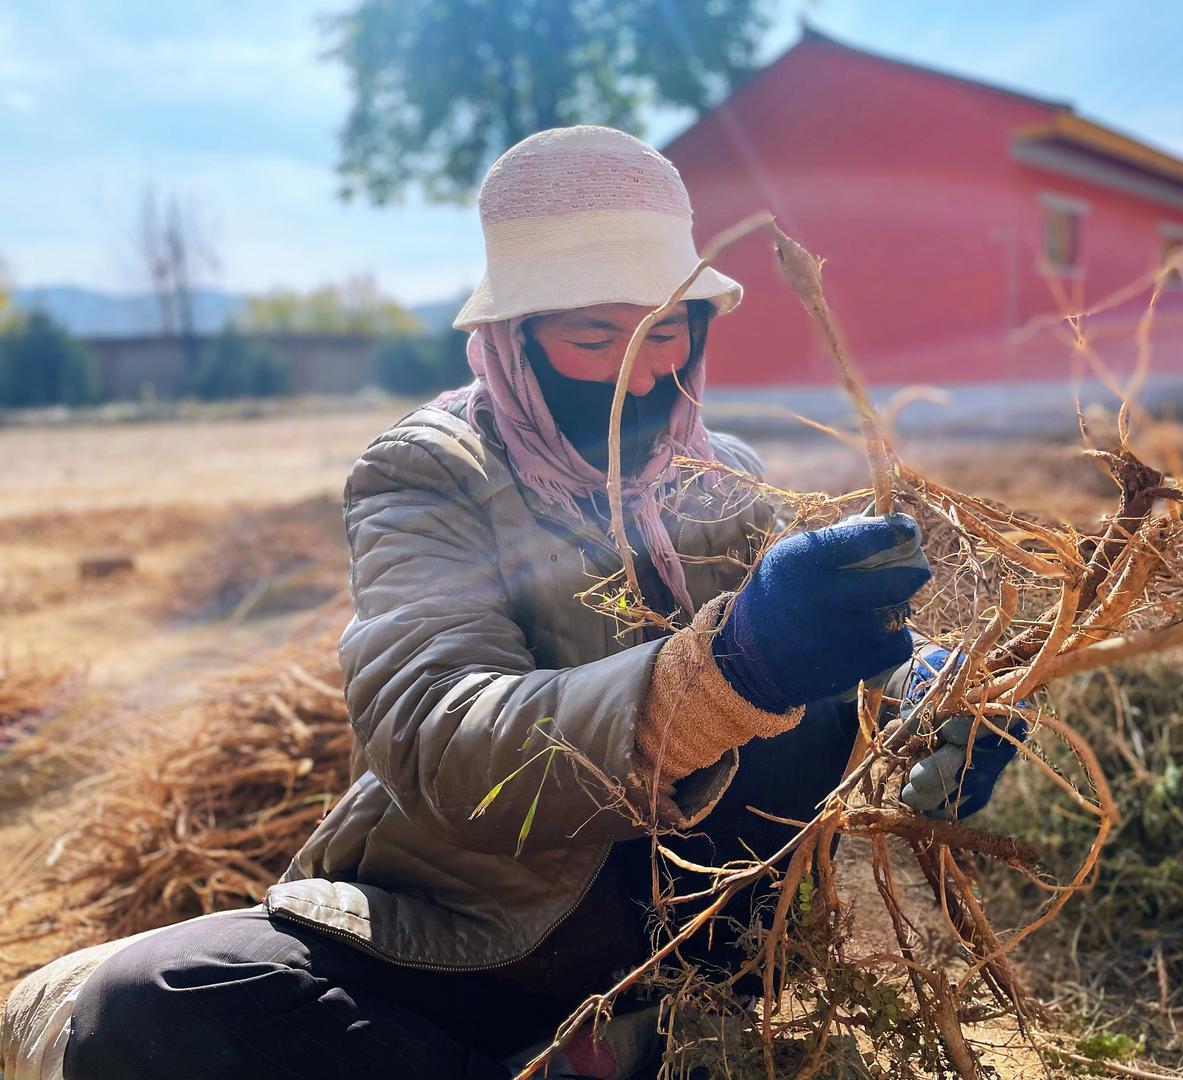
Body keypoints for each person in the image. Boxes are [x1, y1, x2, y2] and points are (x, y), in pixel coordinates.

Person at [41, 126, 1019, 1080]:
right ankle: (590, 1053)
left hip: (686, 930)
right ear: (513, 342)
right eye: (597, 337)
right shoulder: (428, 474)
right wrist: (722, 676)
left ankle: (636, 1029)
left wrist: (916, 693)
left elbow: (822, 657)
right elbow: (436, 730)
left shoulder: (727, 479)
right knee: (155, 1002)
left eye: (669, 331)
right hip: (485, 935)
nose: (645, 370)